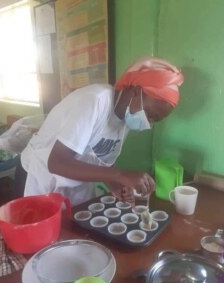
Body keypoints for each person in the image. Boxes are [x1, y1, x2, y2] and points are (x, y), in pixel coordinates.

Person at [18, 56, 184, 206]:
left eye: (155, 120)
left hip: (75, 185)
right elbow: (56, 162)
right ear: (134, 92)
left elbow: (102, 159)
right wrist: (120, 174)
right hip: (40, 178)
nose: (148, 123)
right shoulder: (94, 101)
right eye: (148, 114)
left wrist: (116, 185)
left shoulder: (125, 119)